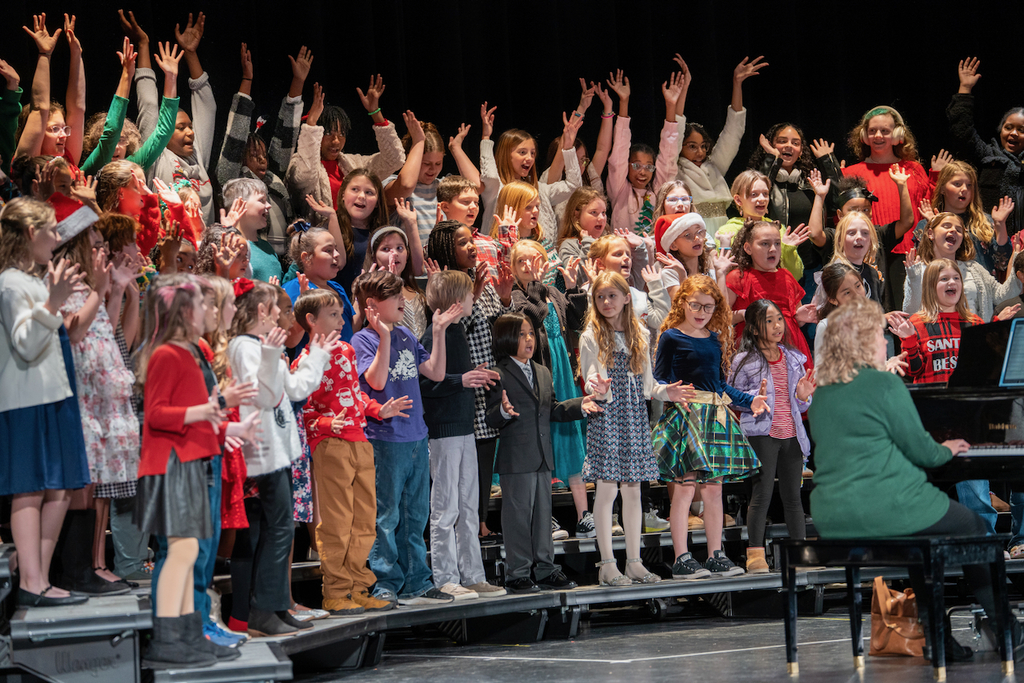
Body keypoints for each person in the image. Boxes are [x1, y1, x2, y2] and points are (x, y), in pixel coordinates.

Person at [808, 296, 1021, 664]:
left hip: (832, 515)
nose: (885, 340)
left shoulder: (822, 394)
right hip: (883, 505)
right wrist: (949, 448)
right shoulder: (883, 385)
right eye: (878, 333)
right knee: (974, 526)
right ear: (861, 339)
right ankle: (1008, 630)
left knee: (921, 539)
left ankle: (938, 639)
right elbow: (924, 453)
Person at [133, 274, 255, 668]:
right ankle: (168, 639)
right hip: (173, 463)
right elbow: (156, 414)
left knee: (188, 554)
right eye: (202, 304)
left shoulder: (190, 351)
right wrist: (209, 407)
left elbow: (196, 408)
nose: (209, 310)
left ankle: (188, 633)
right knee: (181, 553)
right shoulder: (166, 353)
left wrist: (223, 417)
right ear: (185, 311)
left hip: (194, 459)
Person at [227, 278, 333, 637]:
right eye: (277, 310)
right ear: (261, 312)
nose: (282, 318)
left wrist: (317, 355)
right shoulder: (243, 346)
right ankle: (262, 610)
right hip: (262, 451)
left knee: (279, 532)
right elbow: (267, 395)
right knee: (276, 532)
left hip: (279, 451)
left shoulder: (263, 346)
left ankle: (274, 606)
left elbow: (296, 388)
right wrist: (272, 356)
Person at [292, 288, 406, 615]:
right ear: (311, 321)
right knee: (337, 521)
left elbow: (353, 395)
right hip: (331, 446)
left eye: (342, 314)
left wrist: (376, 409)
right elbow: (303, 410)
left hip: (360, 440)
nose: (342, 321)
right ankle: (335, 592)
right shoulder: (306, 361)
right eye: (333, 315)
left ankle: (358, 588)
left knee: (364, 520)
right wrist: (330, 425)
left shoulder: (345, 351)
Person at [0, 197, 90, 608]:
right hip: (26, 399)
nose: (58, 238)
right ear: (32, 234)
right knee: (32, 489)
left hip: (55, 392)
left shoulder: (34, 280)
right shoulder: (10, 284)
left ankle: (37, 573)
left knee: (60, 488)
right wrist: (53, 303)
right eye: (52, 230)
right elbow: (24, 343)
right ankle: (32, 582)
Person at [351, 270, 461, 605]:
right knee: (387, 514)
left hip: (415, 435)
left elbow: (437, 373)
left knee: (416, 514)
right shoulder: (363, 341)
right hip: (386, 438)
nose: (403, 301)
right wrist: (383, 337)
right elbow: (379, 382)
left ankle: (417, 579)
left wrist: (438, 332)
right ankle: (385, 581)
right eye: (395, 297)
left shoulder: (407, 336)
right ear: (373, 305)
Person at [581, 272, 695, 586]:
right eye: (600, 297)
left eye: (612, 296)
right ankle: (607, 563)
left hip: (633, 415)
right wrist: (598, 386)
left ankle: (633, 561)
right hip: (606, 414)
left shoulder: (639, 332)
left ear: (626, 297)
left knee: (632, 490)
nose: (606, 302)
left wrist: (664, 392)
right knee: (607, 490)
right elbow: (591, 376)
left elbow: (647, 386)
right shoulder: (592, 333)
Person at [651, 275, 764, 579]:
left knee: (714, 491)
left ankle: (716, 554)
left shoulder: (714, 339)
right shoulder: (671, 337)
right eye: (695, 305)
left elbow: (719, 385)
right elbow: (659, 378)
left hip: (714, 416)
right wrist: (669, 392)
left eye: (708, 307)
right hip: (686, 417)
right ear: (683, 303)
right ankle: (682, 557)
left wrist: (749, 401)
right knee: (686, 490)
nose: (701, 312)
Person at [487, 312, 594, 592]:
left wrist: (582, 405)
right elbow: (491, 416)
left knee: (544, 516)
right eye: (521, 334)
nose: (529, 340)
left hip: (543, 456)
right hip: (516, 458)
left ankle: (546, 569)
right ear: (506, 338)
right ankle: (518, 573)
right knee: (518, 517)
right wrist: (502, 411)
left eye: (531, 334)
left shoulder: (543, 371)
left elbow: (553, 409)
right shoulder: (497, 373)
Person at [420, 271, 506, 598]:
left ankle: (472, 574)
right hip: (443, 432)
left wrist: (473, 377)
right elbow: (427, 382)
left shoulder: (458, 332)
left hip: (464, 429)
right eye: (470, 294)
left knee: (469, 506)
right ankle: (445, 577)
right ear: (457, 300)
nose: (474, 298)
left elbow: (455, 376)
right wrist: (461, 380)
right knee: (446, 508)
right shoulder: (435, 334)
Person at [427, 220, 513, 545]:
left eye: (471, 240)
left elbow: (503, 327)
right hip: (461, 384)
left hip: (488, 382)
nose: (470, 247)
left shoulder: (484, 280)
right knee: (466, 462)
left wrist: (504, 300)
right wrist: (472, 297)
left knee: (485, 458)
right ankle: (469, 524)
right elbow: (455, 331)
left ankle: (480, 519)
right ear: (448, 248)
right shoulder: (443, 286)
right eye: (462, 243)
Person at [508, 240, 592, 537]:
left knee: (569, 436)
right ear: (513, 268)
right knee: (543, 441)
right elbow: (533, 317)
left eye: (537, 260)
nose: (531, 267)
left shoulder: (553, 291)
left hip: (564, 369)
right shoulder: (517, 296)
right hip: (539, 372)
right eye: (523, 263)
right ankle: (548, 515)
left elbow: (578, 320)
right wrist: (535, 287)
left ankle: (584, 514)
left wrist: (573, 291)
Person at [730, 300, 814, 574]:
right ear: (754, 327)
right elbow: (733, 399)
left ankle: (800, 552)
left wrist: (804, 397)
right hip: (762, 434)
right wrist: (754, 399)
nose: (778, 326)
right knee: (762, 494)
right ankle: (755, 554)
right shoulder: (744, 361)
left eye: (780, 319)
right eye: (769, 321)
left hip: (791, 434)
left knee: (793, 496)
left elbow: (801, 403)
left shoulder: (792, 357)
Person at [285, 76, 404, 218]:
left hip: (355, 236)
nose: (336, 141)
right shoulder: (298, 163)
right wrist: (311, 123)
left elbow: (394, 159)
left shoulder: (352, 164)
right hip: (320, 237)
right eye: (329, 133)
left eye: (342, 134)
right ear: (318, 132)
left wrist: (375, 113)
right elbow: (304, 177)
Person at [676, 55, 767, 236]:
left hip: (723, 231)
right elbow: (673, 132)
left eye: (703, 146)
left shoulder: (714, 166)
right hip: (692, 232)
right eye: (692, 146)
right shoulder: (674, 170)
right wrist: (683, 89)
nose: (700, 152)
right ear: (680, 147)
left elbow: (732, 133)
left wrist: (737, 83)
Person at [947, 57, 1024, 237]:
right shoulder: (988, 156)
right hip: (989, 239)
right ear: (1000, 130)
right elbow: (962, 132)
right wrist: (965, 90)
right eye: (1008, 127)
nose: (1013, 133)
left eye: (1021, 130)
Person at [726, 219, 817, 369]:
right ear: (748, 248)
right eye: (765, 244)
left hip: (791, 346)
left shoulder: (787, 276)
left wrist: (800, 318)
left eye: (777, 243)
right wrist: (744, 314)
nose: (773, 249)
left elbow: (794, 317)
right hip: (754, 348)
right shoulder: (738, 277)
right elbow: (722, 317)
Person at [605, 68, 683, 235]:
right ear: (627, 165)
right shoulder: (620, 190)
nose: (643, 172)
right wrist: (624, 102)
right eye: (637, 165)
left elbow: (668, 155)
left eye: (649, 167)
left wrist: (671, 105)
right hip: (623, 255)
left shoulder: (657, 191)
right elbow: (619, 150)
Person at [903, 212, 1022, 321]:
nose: (953, 230)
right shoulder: (919, 271)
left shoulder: (974, 269)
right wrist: (914, 279)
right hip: (937, 341)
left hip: (973, 339)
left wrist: (1017, 263)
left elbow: (1002, 295)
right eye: (946, 226)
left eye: (959, 229)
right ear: (930, 233)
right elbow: (910, 313)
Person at [891, 259, 985, 384]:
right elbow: (912, 371)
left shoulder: (975, 322)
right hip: (931, 400)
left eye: (956, 278)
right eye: (944, 279)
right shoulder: (917, 323)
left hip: (967, 399)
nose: (952, 282)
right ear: (931, 286)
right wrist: (909, 339)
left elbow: (984, 367)